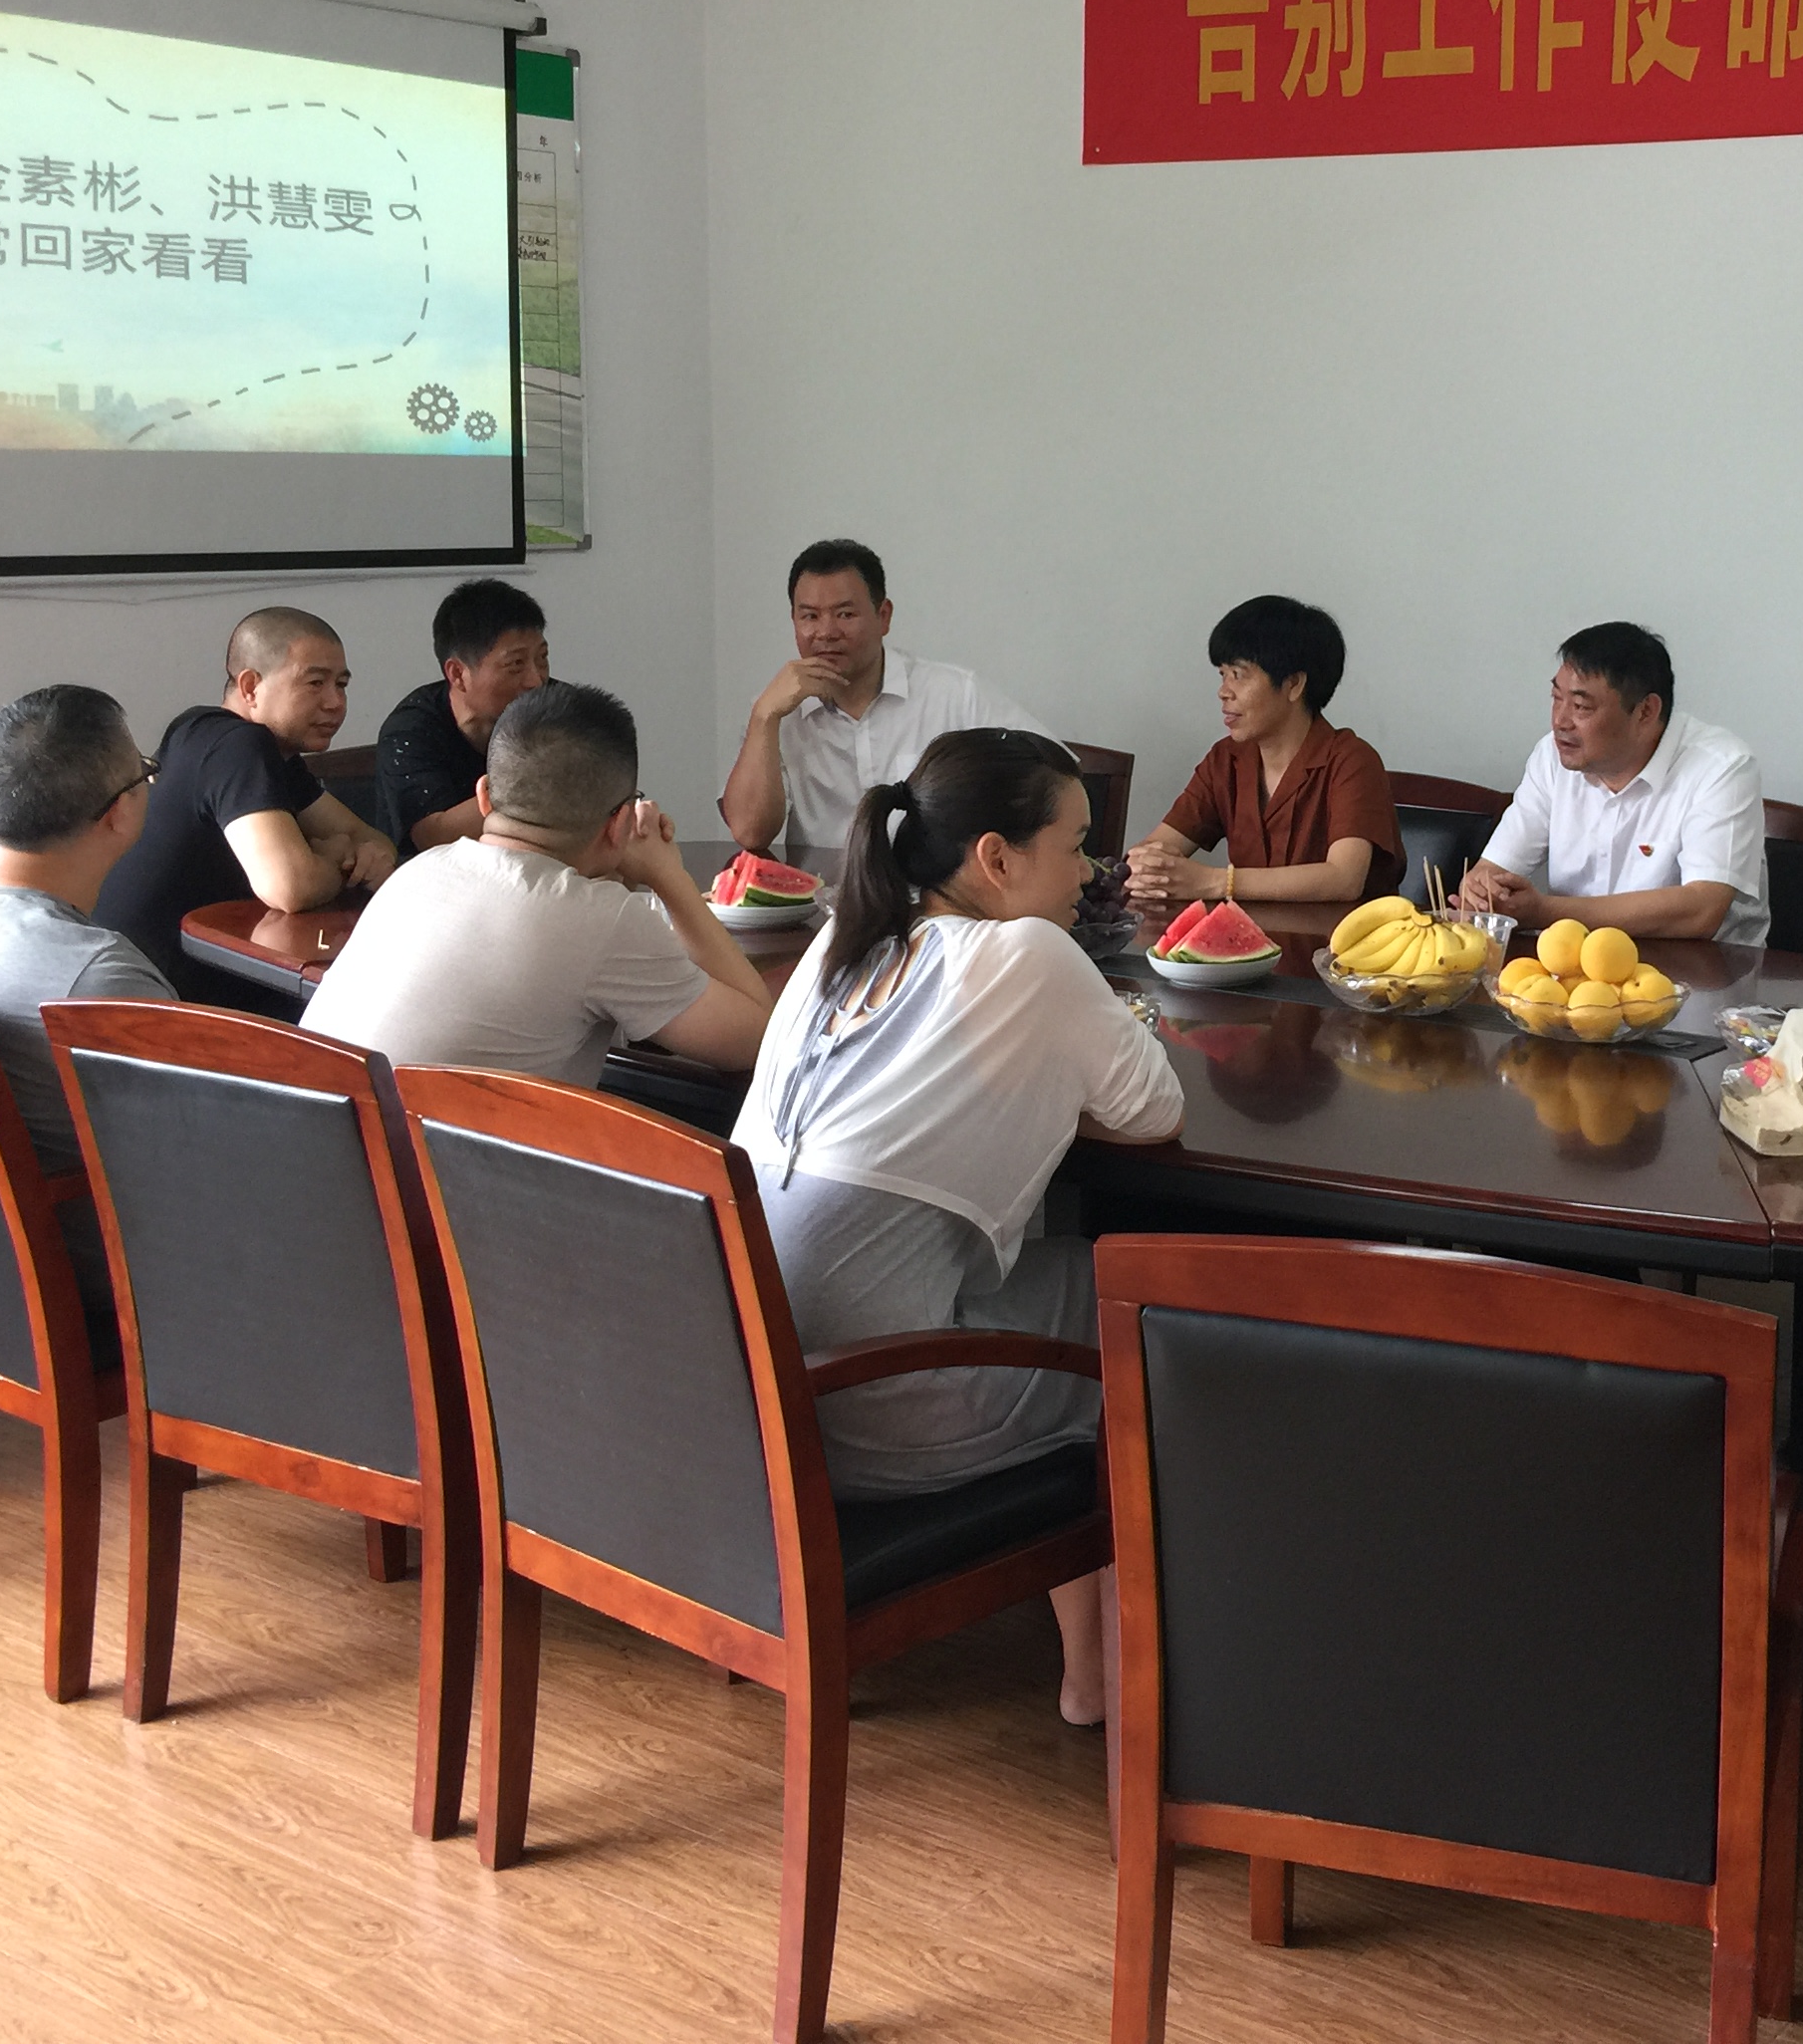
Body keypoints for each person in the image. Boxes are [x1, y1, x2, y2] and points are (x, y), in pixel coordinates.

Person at [733, 727, 1182, 1727]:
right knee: (1134, 1304)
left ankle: (1089, 1664)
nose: (1092, 871)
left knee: (1055, 1272)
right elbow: (1154, 1111)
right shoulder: (1029, 953)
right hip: (872, 1411)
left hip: (756, 1411)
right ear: (996, 858)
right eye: (1075, 845)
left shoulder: (839, 945)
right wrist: (1075, 1042)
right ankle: (1117, 1680)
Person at [302, 681, 773, 1082]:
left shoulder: (417, 872)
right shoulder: (602, 921)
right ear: (620, 824)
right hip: (438, 1164)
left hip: (318, 1145)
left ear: (484, 797)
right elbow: (759, 1042)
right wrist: (669, 878)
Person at [0, 683, 178, 1177]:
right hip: (111, 1216)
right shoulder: (100, 977)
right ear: (118, 812)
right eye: (143, 771)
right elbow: (196, 1139)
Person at [96, 607, 396, 997]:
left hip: (172, 983)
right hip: (164, 1002)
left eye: (341, 685)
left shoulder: (228, 739)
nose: (335, 702)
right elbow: (289, 887)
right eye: (315, 683)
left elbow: (369, 839)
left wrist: (356, 853)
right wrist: (338, 860)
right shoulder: (237, 745)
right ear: (251, 686)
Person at [720, 538, 1043, 856]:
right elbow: (750, 833)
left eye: (845, 614)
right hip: (820, 887)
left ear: (883, 616)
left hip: (929, 887)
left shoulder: (955, 695)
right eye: (810, 616)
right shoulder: (776, 712)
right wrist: (763, 717)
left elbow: (1054, 775)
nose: (826, 632)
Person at [1454, 622, 1768, 944]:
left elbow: (1702, 909)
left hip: (1703, 968)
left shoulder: (1723, 768)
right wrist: (1482, 892)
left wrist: (1544, 912)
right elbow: (1494, 869)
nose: (1560, 721)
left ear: (1645, 711)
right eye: (1556, 698)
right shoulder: (1552, 756)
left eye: (1581, 707)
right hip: (1573, 962)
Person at [1125, 595, 1402, 907]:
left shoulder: (1351, 760)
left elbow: (1344, 878)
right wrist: (1145, 868)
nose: (1223, 691)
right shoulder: (1225, 759)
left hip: (1342, 938)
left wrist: (1215, 881)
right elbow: (1156, 847)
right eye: (1222, 675)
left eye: (1238, 675)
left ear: (1294, 684)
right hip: (1245, 938)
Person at [375, 577, 550, 850]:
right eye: (516, 664)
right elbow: (434, 836)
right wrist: (545, 777)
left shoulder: (562, 709)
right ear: (457, 674)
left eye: (542, 659)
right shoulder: (410, 730)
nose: (536, 680)